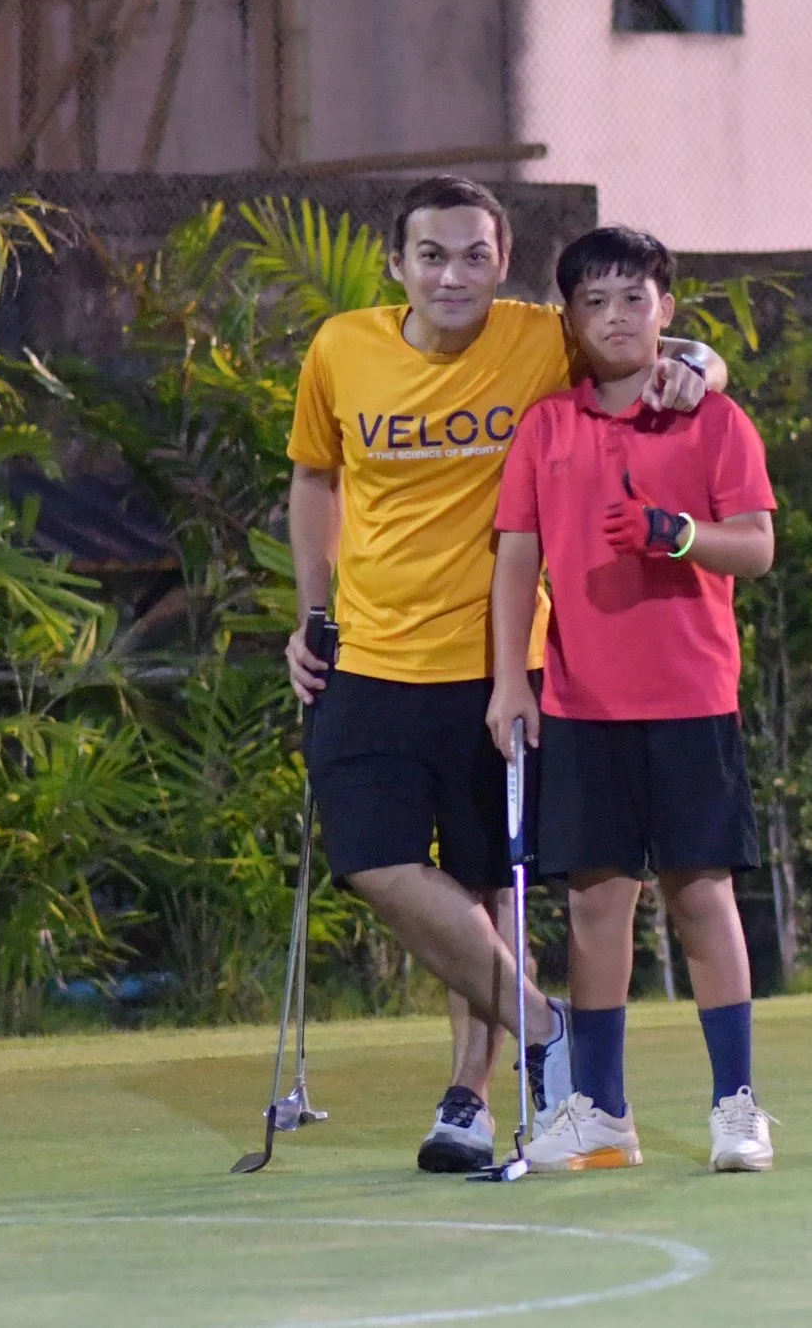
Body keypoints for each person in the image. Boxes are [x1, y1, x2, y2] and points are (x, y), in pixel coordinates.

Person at [284, 178, 730, 1172]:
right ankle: (544, 1028)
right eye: (431, 255)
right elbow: (315, 477)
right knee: (373, 860)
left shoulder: (540, 338)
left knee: (489, 886)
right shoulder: (341, 348)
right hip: (368, 655)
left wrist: (701, 362)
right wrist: (311, 610)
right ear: (395, 265)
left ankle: (467, 1102)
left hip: (505, 665)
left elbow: (651, 347)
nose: (452, 274)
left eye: (474, 255)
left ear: (502, 262)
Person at [485, 225, 779, 1174]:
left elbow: (756, 544)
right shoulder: (547, 428)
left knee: (702, 894)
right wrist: (508, 680)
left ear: (668, 309)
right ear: (570, 318)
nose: (616, 317)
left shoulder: (714, 421)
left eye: (635, 298)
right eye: (596, 302)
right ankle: (603, 1109)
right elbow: (516, 558)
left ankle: (737, 1106)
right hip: (580, 703)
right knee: (596, 907)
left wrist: (677, 532)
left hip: (692, 695)